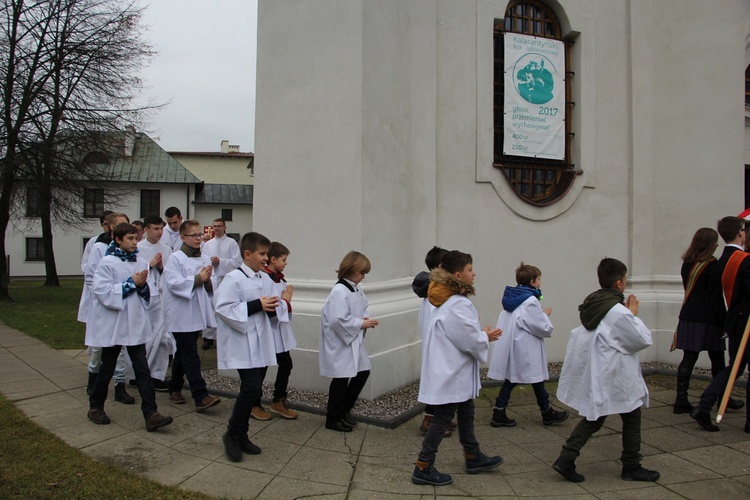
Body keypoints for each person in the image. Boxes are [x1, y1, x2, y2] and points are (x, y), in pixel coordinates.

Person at [553, 258, 659, 483]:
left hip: (604, 370)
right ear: (620, 283)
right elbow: (641, 338)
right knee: (631, 415)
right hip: (616, 373)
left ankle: (566, 458)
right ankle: (631, 465)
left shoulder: (596, 303)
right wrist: (633, 314)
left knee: (596, 416)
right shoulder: (616, 311)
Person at [412, 250, 503, 487]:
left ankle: (473, 455)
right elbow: (468, 340)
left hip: (452, 369)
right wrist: (485, 336)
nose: (474, 273)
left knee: (466, 408)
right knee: (442, 417)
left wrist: (480, 335)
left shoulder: (447, 300)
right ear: (457, 274)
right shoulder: (457, 304)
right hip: (452, 371)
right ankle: (423, 466)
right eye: (470, 269)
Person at [86, 222, 173, 432]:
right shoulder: (107, 262)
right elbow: (102, 291)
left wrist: (142, 286)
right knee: (107, 367)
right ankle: (95, 407)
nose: (135, 243)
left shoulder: (141, 262)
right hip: (115, 324)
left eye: (136, 238)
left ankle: (151, 413)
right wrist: (131, 283)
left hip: (134, 324)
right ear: (118, 240)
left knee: (142, 370)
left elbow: (150, 291)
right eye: (130, 239)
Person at [214, 232, 279, 462]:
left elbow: (273, 305)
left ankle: (241, 435)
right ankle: (232, 434)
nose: (266, 258)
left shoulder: (265, 279)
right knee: (250, 389)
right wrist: (257, 304)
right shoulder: (233, 278)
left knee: (254, 389)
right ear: (247, 254)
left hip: (260, 343)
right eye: (262, 254)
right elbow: (222, 308)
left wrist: (274, 307)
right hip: (243, 343)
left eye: (267, 254)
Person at [488, 262, 568, 427]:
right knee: (529, 376)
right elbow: (540, 326)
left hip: (515, 344)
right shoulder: (530, 300)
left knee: (516, 378)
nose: (540, 282)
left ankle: (501, 410)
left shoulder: (513, 297)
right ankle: (544, 412)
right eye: (539, 279)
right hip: (526, 346)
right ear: (532, 282)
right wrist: (545, 315)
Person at [691, 216, 750, 432]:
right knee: (735, 367)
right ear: (739, 232)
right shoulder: (743, 260)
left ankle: (705, 405)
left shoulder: (722, 259)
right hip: (746, 322)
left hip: (734, 320)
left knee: (734, 367)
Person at [163, 219, 222, 412]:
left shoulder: (204, 258)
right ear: (183, 237)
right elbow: (173, 283)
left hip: (197, 312)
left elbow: (212, 281)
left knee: (183, 352)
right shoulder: (176, 258)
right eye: (194, 235)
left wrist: (207, 281)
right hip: (180, 314)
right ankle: (200, 395)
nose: (198, 238)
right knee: (190, 353)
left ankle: (174, 388)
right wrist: (198, 279)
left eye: (199, 235)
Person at [672, 228, 730, 414]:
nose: (717, 244)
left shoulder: (687, 263)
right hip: (709, 319)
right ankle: (722, 399)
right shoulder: (712, 266)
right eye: (715, 241)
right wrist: (724, 320)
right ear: (709, 244)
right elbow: (716, 297)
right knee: (718, 360)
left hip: (689, 315)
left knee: (688, 359)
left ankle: (681, 400)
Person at [319, 251, 379, 432]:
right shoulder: (339, 291)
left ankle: (345, 410)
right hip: (341, 343)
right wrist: (362, 323)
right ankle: (333, 418)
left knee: (362, 372)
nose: (363, 277)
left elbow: (362, 308)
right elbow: (338, 319)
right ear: (352, 270)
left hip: (354, 341)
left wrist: (365, 320)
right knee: (340, 379)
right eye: (362, 273)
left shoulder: (355, 289)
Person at [80, 212, 134, 403]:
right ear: (111, 228)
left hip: (122, 304)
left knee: (120, 349)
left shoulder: (130, 251)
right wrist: (105, 299)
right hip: (104, 306)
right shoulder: (98, 246)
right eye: (121, 225)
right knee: (99, 348)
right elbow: (90, 277)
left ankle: (119, 386)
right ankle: (93, 378)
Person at [411, 246, 455, 437]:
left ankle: (439, 417)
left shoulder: (433, 290)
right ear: (440, 266)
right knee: (437, 382)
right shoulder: (434, 293)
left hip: (436, 344)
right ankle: (430, 420)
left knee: (440, 381)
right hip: (438, 345)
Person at [260, 241, 299, 420]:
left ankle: (278, 401)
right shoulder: (264, 279)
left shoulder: (279, 279)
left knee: (286, 364)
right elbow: (271, 307)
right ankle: (253, 403)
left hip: (279, 331)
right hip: (268, 330)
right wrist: (286, 301)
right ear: (272, 259)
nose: (286, 263)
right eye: (283, 259)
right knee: (261, 367)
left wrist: (285, 301)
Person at [136, 214, 174, 391]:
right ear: (146, 230)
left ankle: (157, 374)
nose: (159, 232)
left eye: (161, 228)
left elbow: (170, 274)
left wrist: (161, 268)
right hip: (145, 299)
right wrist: (149, 265)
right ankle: (139, 373)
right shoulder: (138, 248)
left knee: (162, 339)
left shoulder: (166, 248)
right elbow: (135, 274)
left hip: (161, 297)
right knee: (145, 337)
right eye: (156, 229)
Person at [201, 218, 242, 350]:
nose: (216, 229)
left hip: (225, 279)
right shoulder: (208, 245)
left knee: (224, 307)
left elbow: (237, 262)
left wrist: (221, 262)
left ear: (225, 227)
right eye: (214, 226)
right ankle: (208, 337)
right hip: (212, 279)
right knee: (209, 307)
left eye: (219, 226)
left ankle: (224, 336)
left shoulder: (231, 243)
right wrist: (211, 263)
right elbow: (203, 261)